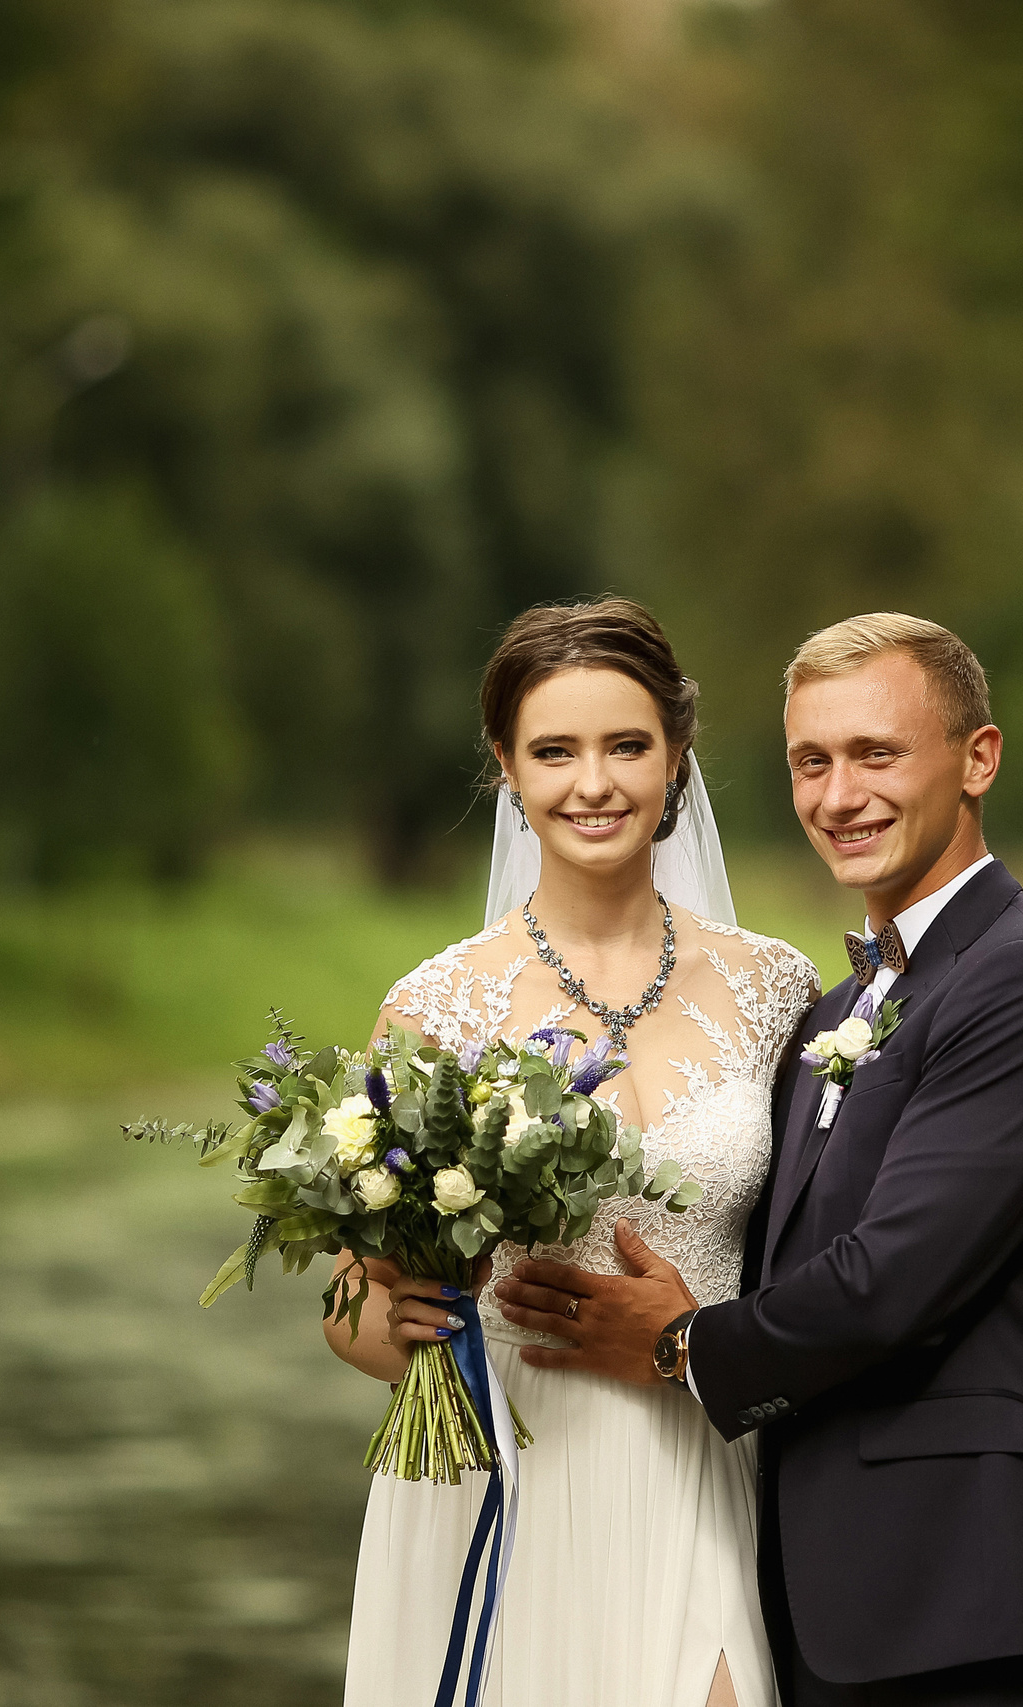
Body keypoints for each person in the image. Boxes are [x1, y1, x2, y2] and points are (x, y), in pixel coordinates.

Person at [496, 613, 1023, 1706]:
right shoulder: (843, 1005)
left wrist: (678, 1343)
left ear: (977, 760)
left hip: (994, 1604)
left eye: (876, 755)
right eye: (811, 762)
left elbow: (890, 1283)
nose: (838, 796)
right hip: (848, 1604)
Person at [331, 597, 821, 1707]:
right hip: (505, 1467)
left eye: (625, 746)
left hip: (702, 1455)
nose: (590, 783)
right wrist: (396, 1325)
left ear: (676, 757)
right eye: (554, 751)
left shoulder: (779, 989)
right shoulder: (434, 1010)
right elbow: (350, 1310)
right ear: (505, 767)